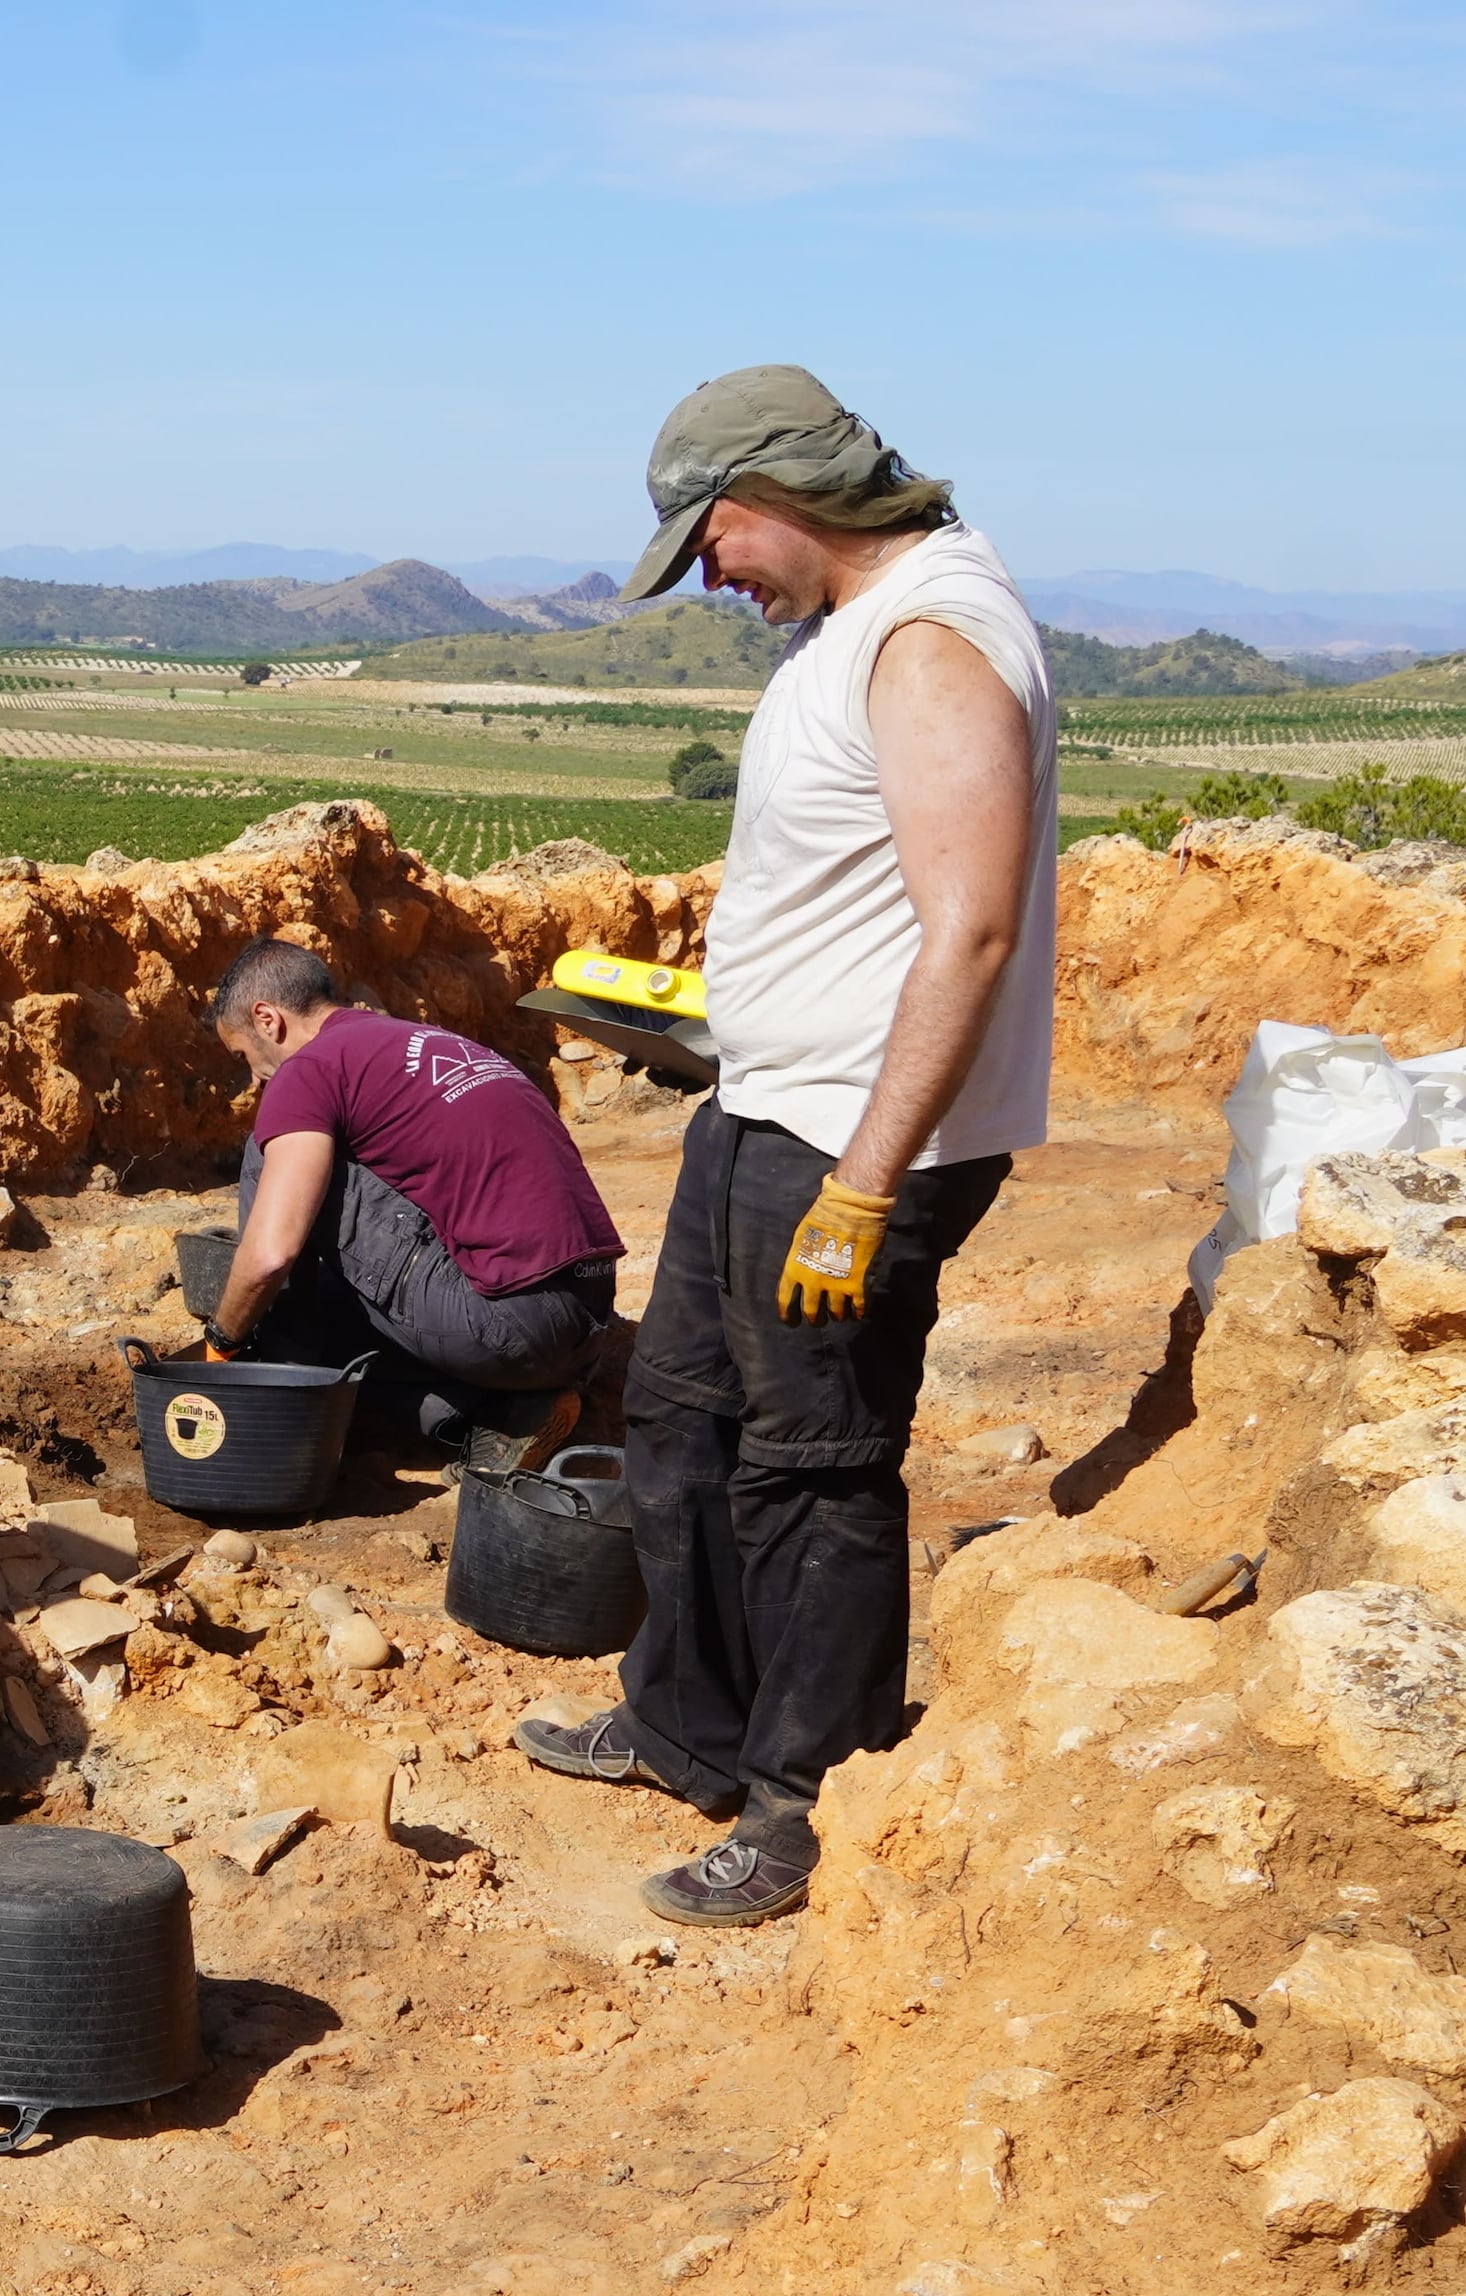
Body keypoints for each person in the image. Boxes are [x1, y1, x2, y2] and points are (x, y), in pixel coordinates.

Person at [516, 364, 1056, 1928]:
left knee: (812, 1469)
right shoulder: (852, 627)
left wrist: (866, 1189)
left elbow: (970, 932)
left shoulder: (933, 637)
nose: (709, 574)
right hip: (770, 1108)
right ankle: (686, 1718)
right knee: (683, 1418)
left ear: (781, 496)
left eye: (713, 539)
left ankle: (802, 1799)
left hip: (850, 1144)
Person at [190, 940, 622, 1466]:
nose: (254, 1078)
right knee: (338, 1315)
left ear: (267, 1020)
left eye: (244, 1057)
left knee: (271, 1153)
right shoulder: (421, 1041)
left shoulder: (307, 1069)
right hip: (589, 1322)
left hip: (508, 1322)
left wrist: (222, 1344)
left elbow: (271, 1254)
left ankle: (276, 1381)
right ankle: (501, 1413)